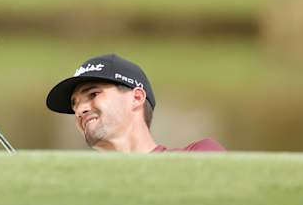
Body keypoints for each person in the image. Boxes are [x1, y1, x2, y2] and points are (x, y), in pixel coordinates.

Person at [46, 54, 225, 153]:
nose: (80, 110)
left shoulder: (198, 155)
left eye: (93, 94)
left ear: (137, 98)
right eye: (74, 104)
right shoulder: (81, 186)